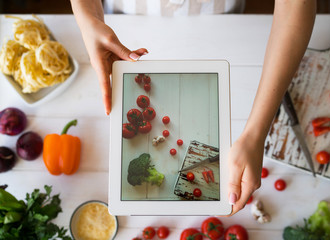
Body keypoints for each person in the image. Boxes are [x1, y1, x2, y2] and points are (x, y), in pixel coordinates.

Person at [70, 0, 316, 215]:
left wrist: (255, 135)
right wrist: (87, 18)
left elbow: (295, 4)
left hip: (224, 23)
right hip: (126, 21)